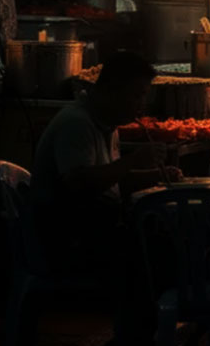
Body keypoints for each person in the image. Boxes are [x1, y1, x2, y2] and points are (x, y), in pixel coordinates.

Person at [30, 50, 175, 272]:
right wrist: (133, 160)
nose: (141, 105)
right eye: (136, 95)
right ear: (110, 91)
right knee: (165, 249)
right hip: (69, 238)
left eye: (144, 96)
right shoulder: (76, 124)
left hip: (95, 228)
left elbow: (111, 182)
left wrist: (155, 177)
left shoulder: (108, 124)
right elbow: (79, 184)